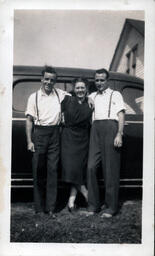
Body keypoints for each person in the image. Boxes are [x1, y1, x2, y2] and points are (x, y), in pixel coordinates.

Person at [25, 66, 69, 217]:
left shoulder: (60, 94)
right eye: (47, 79)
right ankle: (39, 207)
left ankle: (51, 208)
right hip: (39, 133)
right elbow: (29, 120)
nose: (49, 82)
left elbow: (76, 96)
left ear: (55, 81)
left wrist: (88, 98)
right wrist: (29, 141)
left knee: (52, 170)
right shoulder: (34, 97)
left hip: (55, 134)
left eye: (52, 80)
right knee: (38, 170)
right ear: (41, 79)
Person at [85, 68, 125, 218]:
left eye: (102, 80)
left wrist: (119, 134)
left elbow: (121, 115)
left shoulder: (116, 94)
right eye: (97, 80)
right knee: (91, 167)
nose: (99, 83)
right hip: (95, 130)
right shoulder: (92, 95)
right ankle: (93, 205)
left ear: (107, 80)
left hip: (111, 128)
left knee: (110, 169)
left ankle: (111, 207)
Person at [61, 78, 93, 212]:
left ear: (86, 89)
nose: (80, 90)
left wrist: (90, 98)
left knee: (78, 171)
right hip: (68, 138)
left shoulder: (90, 103)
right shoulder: (66, 100)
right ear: (74, 89)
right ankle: (87, 195)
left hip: (83, 140)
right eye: (78, 88)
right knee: (71, 169)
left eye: (82, 88)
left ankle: (71, 201)